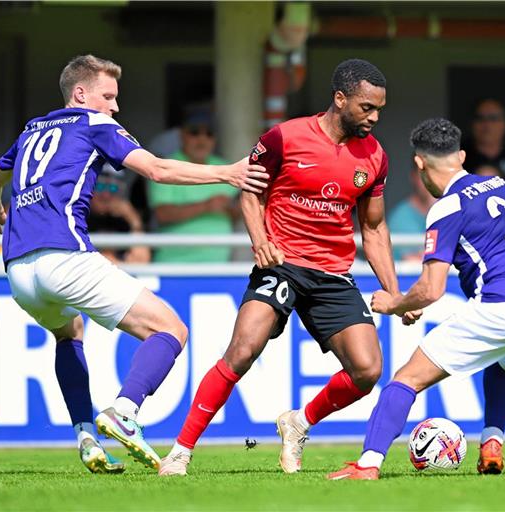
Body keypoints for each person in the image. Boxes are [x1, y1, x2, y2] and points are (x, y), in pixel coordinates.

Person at [0, 54, 268, 474]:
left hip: (19, 271)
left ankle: (85, 437)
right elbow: (155, 168)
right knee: (171, 329)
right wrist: (227, 172)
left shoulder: (30, 131)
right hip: (65, 256)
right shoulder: (94, 124)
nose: (115, 107)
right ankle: (124, 410)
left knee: (69, 331)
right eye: (108, 96)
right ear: (80, 94)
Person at [159, 58, 420, 477]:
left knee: (368, 370)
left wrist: (396, 292)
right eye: (366, 107)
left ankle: (298, 422)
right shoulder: (284, 137)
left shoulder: (374, 157)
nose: (374, 117)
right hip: (281, 264)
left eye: (379, 110)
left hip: (333, 273)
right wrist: (260, 241)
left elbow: (373, 229)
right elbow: (250, 192)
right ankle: (180, 452)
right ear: (340, 98)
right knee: (242, 349)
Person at [327, 118, 505, 481]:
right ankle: (492, 442)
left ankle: (368, 464)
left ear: (419, 163)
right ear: (462, 155)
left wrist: (395, 303)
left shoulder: (446, 206)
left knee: (406, 380)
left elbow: (432, 290)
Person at [148, 106, 239, 263]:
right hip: (173, 264)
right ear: (182, 135)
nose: (202, 140)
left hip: (219, 265)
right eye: (195, 132)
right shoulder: (166, 166)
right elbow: (162, 214)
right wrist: (206, 206)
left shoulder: (225, 166)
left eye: (208, 134)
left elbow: (236, 212)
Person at [88, 164, 150, 264]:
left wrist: (134, 221)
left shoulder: (125, 221)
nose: (106, 195)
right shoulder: (76, 217)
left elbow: (141, 261)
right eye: (100, 186)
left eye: (113, 188)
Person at [387, 159, 436, 261]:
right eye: (425, 175)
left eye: (436, 174)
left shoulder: (453, 211)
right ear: (413, 177)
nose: (430, 181)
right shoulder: (400, 218)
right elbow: (414, 261)